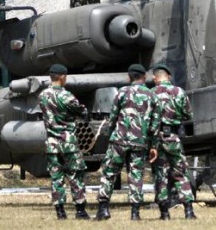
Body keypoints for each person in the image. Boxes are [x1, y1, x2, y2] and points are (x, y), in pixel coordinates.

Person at [95, 63, 161, 221]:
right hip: (140, 142)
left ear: (129, 77)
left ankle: (103, 209)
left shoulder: (122, 93)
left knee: (110, 173)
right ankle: (135, 213)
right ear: (144, 77)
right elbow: (155, 124)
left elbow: (112, 118)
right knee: (136, 175)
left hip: (119, 141)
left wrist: (110, 136)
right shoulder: (152, 95)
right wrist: (154, 146)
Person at [39, 64, 90, 220]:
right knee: (75, 176)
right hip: (68, 142)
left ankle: (60, 212)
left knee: (57, 178)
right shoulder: (67, 96)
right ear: (62, 77)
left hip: (52, 144)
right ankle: (80, 211)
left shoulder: (43, 95)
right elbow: (83, 111)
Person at [150, 63, 197, 220]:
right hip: (174, 137)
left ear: (155, 78)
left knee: (160, 175)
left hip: (157, 139)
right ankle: (189, 211)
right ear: (168, 77)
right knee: (180, 174)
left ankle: (164, 213)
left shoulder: (150, 93)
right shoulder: (179, 92)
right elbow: (188, 115)